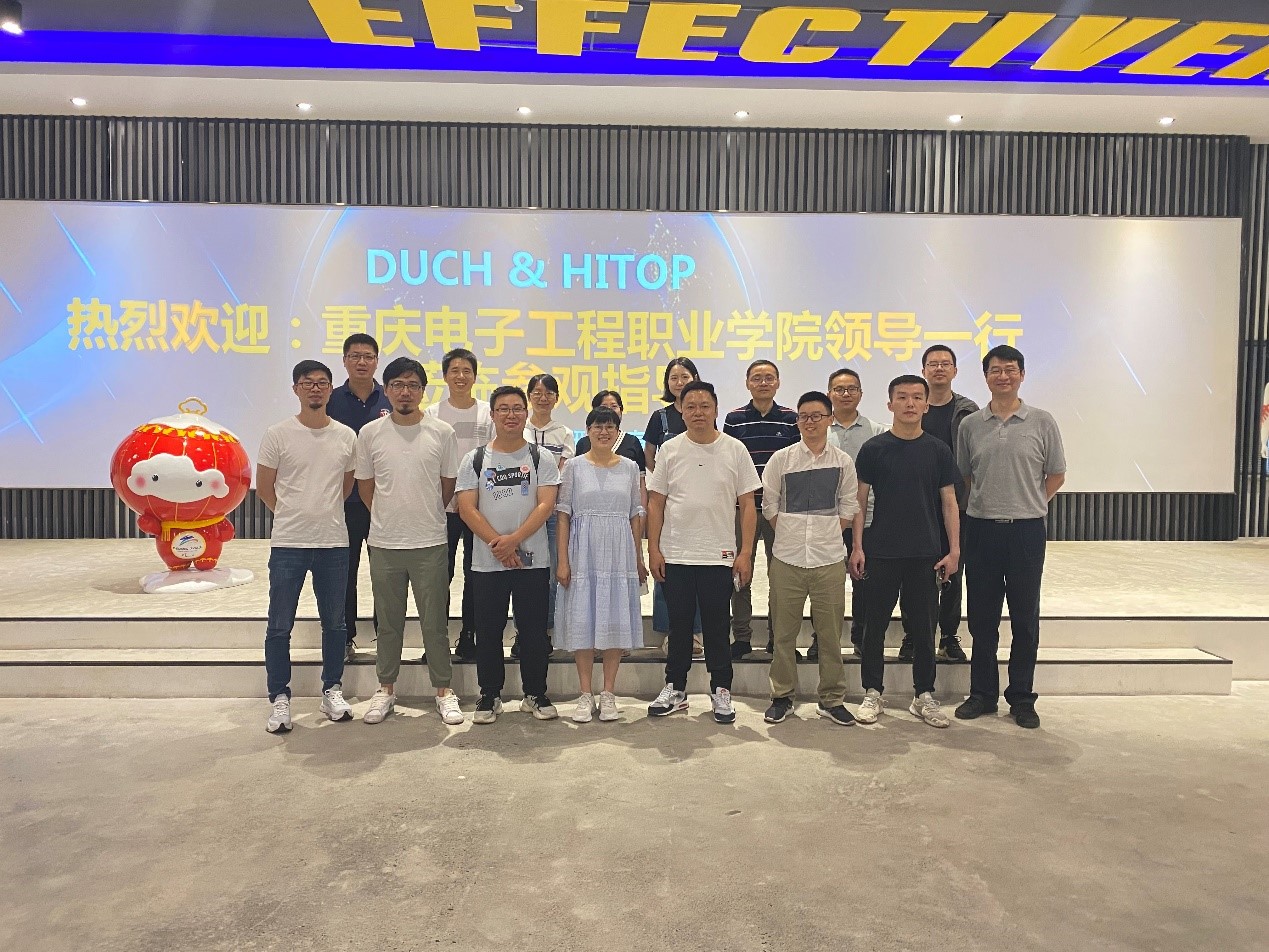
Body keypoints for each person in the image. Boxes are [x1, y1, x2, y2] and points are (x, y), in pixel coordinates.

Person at [954, 345, 1066, 730]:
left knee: (1024, 619)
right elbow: (965, 477)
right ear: (985, 376)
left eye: (1010, 369)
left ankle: (1021, 697)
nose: (1003, 376)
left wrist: (1029, 502)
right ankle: (982, 694)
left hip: (1026, 532)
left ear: (1022, 374)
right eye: (995, 370)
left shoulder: (1042, 421)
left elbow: (1056, 475)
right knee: (982, 619)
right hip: (981, 529)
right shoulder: (971, 425)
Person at [355, 357, 463, 727]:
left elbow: (446, 485)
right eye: (398, 385)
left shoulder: (441, 432)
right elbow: (366, 487)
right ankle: (385, 688)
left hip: (430, 540)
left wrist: (422, 512)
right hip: (385, 543)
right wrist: (389, 516)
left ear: (422, 391)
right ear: (386, 390)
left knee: (435, 622)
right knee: (388, 622)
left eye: (413, 385)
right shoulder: (370, 433)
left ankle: (444, 691)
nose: (405, 392)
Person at [849, 375, 960, 729]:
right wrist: (857, 546)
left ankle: (923, 695)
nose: (910, 403)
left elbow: (949, 503)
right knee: (874, 628)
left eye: (916, 397)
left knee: (925, 630)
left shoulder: (938, 450)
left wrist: (954, 550)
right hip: (880, 551)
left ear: (926, 405)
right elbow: (859, 502)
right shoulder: (874, 449)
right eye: (902, 397)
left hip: (925, 553)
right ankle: (872, 692)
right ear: (890, 404)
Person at [646, 381, 760, 724]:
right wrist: (654, 549)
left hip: (718, 556)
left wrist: (746, 553)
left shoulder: (735, 449)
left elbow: (748, 505)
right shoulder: (670, 449)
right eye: (691, 406)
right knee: (679, 627)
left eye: (705, 405)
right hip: (676, 554)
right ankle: (675, 689)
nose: (698, 412)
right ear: (681, 410)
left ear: (716, 409)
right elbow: (656, 503)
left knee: (716, 628)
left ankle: (721, 690)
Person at [257, 360, 358, 733]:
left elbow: (346, 486)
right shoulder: (278, 434)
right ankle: (279, 697)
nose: (315, 388)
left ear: (331, 388)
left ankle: (332, 689)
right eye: (307, 382)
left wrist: (321, 512)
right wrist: (294, 513)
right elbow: (265, 488)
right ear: (295, 389)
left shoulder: (346, 436)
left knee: (335, 624)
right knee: (279, 624)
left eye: (321, 382)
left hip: (333, 542)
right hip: (289, 542)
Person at [456, 386, 562, 724]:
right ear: (493, 415)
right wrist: (499, 545)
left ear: (526, 414)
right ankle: (489, 695)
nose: (511, 414)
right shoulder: (474, 459)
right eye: (503, 408)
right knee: (488, 631)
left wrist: (513, 541)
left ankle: (535, 694)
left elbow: (546, 505)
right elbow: (466, 508)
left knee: (533, 632)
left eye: (517, 408)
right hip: (487, 562)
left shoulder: (541, 458)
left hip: (533, 560)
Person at [761, 391, 859, 727]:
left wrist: (824, 533)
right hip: (787, 559)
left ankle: (832, 699)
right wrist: (792, 532)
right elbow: (769, 506)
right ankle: (782, 696)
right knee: (783, 635)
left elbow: (849, 507)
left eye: (817, 416)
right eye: (803, 416)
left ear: (830, 419)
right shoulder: (782, 460)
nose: (810, 422)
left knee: (830, 637)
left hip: (828, 560)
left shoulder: (843, 462)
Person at [555, 406, 647, 723]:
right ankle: (585, 694)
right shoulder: (573, 467)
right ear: (588, 430)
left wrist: (638, 558)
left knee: (614, 619)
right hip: (582, 553)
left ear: (618, 432)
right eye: (597, 426)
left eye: (610, 427)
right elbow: (563, 515)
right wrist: (563, 560)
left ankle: (608, 693)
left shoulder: (631, 468)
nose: (603, 432)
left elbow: (635, 515)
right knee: (583, 619)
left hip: (619, 554)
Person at [723, 360, 799, 659]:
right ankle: (742, 637)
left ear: (778, 382)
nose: (763, 383)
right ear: (747, 383)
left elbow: (796, 463)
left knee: (780, 577)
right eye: (757, 378)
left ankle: (777, 638)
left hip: (780, 511)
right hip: (743, 509)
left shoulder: (791, 419)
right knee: (740, 573)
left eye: (769, 378)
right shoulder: (734, 419)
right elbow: (729, 463)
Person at [910, 344, 979, 663]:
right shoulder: (913, 405)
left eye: (945, 363)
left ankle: (948, 636)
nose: (939, 368)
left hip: (957, 505)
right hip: (917, 505)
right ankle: (913, 635)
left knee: (953, 570)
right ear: (923, 370)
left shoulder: (967, 411)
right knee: (913, 573)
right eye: (932, 363)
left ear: (955, 370)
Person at [326, 333, 392, 662]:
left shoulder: (391, 398)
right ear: (344, 361)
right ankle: (345, 636)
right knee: (344, 573)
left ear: (377, 361)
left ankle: (386, 636)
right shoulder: (330, 400)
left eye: (368, 356)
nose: (362, 362)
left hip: (383, 502)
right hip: (343, 502)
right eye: (355, 356)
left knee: (385, 575)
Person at [425, 348, 492, 663]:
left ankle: (469, 636)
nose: (461, 376)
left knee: (476, 575)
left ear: (475, 376)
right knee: (439, 577)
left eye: (467, 371)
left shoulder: (487, 413)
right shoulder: (432, 413)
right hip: (441, 509)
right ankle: (436, 641)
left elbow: (495, 458)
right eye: (454, 370)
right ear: (445, 376)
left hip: (481, 508)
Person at [821, 368, 887, 660]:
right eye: (839, 389)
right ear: (829, 394)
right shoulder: (819, 430)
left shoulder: (877, 431)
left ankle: (862, 637)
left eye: (852, 389)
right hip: (827, 519)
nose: (845, 394)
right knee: (825, 583)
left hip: (867, 517)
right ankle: (822, 639)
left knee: (865, 582)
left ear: (861, 393)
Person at [643, 358, 704, 649]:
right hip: (667, 500)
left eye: (684, 376)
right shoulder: (660, 417)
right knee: (665, 563)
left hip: (700, 500)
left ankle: (695, 632)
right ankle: (670, 631)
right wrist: (663, 483)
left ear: (695, 378)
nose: (679, 382)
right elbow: (649, 453)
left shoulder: (703, 413)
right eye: (674, 378)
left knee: (699, 564)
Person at [519, 373, 576, 654]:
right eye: (537, 393)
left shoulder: (563, 433)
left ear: (556, 398)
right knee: (522, 572)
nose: (543, 398)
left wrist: (548, 501)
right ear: (529, 397)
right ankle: (522, 633)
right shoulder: (519, 429)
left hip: (552, 513)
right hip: (521, 513)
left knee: (552, 573)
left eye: (549, 393)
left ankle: (546, 632)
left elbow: (562, 473)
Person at [575, 391, 648, 472]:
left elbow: (640, 475)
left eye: (614, 406)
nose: (609, 410)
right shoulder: (583, 443)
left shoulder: (632, 442)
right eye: (604, 406)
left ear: (621, 410)